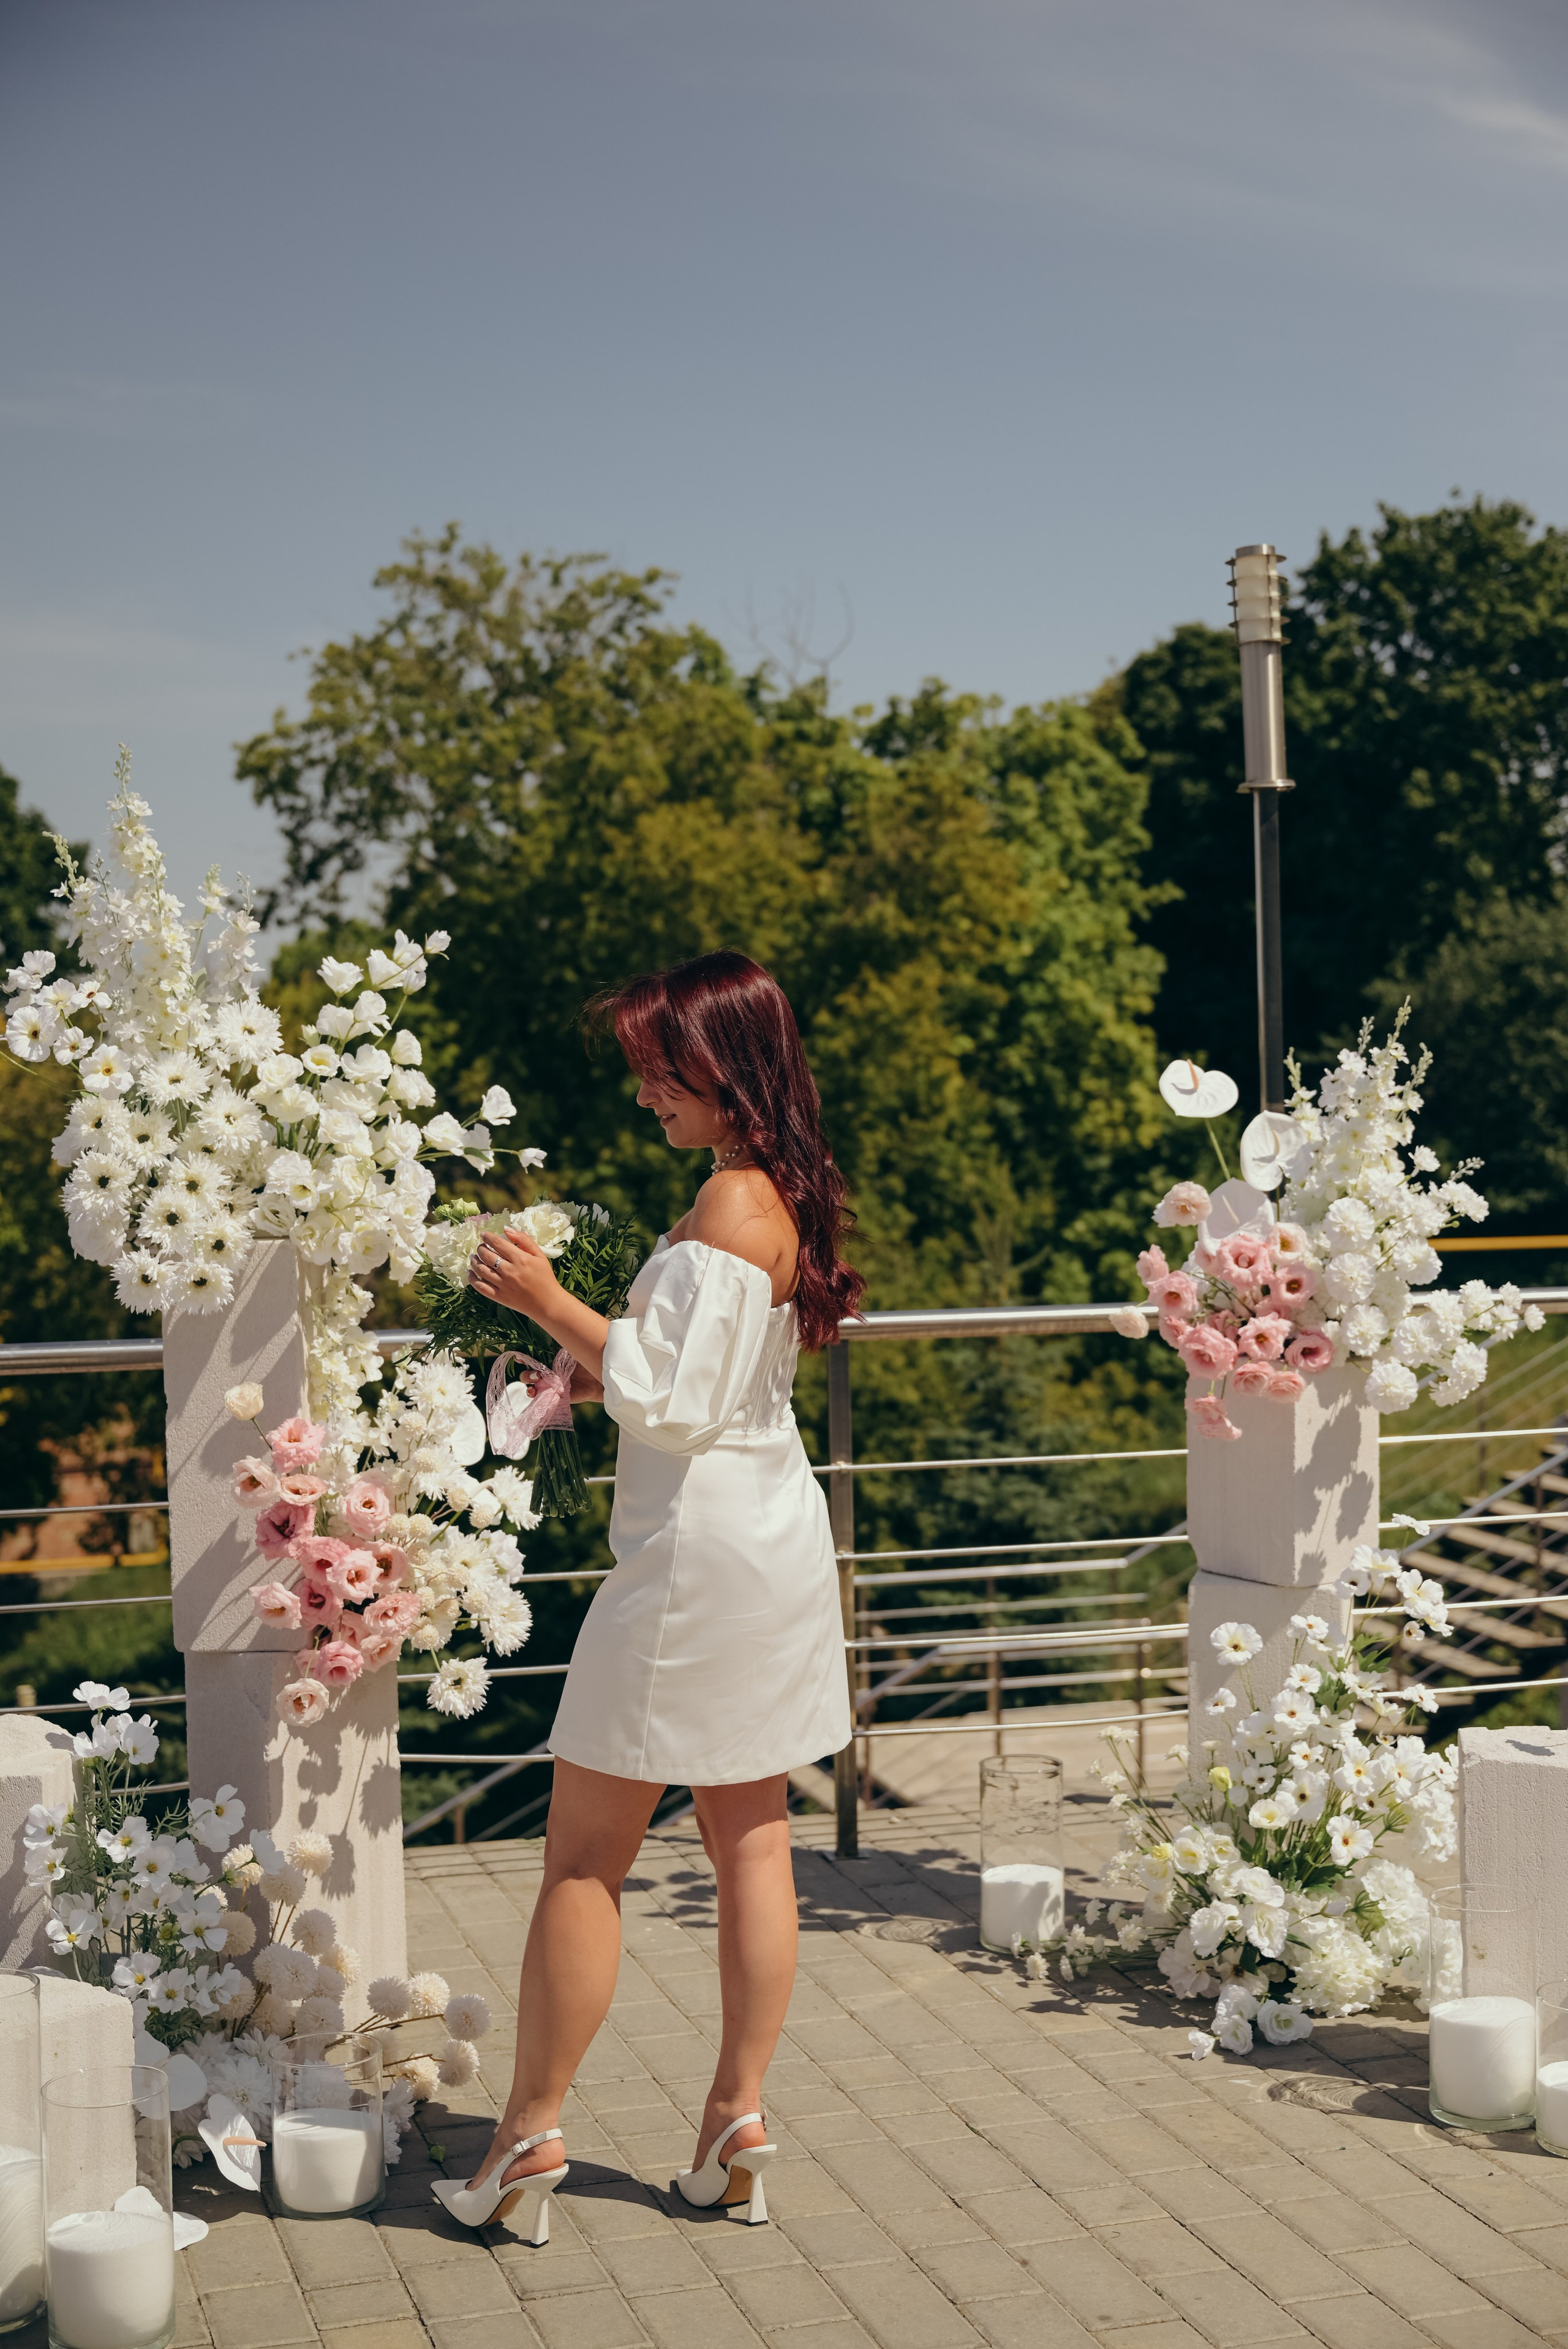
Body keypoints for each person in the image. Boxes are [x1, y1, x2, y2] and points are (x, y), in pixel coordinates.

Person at [432, 949, 864, 2241]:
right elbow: (700, 1380)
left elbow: (671, 1398)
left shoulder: (731, 1203)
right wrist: (582, 1366)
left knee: (582, 1857)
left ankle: (526, 2135)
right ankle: (734, 2120)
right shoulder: (770, 1193)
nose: (642, 1096)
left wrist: (544, 1297)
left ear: (719, 1065)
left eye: (656, 1071)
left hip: (695, 1556)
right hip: (766, 1536)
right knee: (752, 1837)